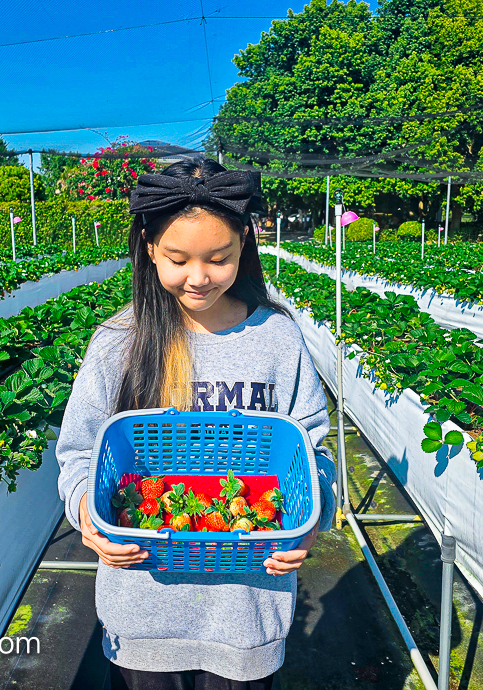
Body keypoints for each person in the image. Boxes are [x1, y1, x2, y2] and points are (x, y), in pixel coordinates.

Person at [55, 157, 338, 690]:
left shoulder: (276, 339)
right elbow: (78, 452)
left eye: (219, 258)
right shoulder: (120, 341)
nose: (199, 277)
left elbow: (312, 451)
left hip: (246, 611)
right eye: (178, 259)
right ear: (148, 249)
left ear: (244, 247)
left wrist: (309, 520)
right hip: (143, 607)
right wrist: (90, 521)